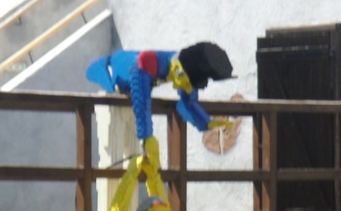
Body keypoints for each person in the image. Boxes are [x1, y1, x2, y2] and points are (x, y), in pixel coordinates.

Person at [86, 41, 233, 148]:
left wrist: (206, 123)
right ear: (179, 70)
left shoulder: (186, 68)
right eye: (189, 83)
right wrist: (147, 137)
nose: (189, 87)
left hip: (134, 81)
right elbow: (141, 101)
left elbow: (187, 102)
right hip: (111, 73)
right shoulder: (148, 62)